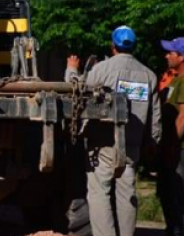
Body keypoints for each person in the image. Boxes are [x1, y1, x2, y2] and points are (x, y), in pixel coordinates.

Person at [66, 26, 160, 236]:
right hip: (131, 146)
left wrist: (72, 69)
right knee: (127, 194)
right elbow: (155, 119)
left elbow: (75, 92)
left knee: (99, 193)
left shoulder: (102, 70)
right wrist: (152, 143)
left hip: (103, 145)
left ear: (113, 46)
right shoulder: (149, 76)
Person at [157, 37, 184, 236]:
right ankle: (173, 229)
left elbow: (183, 116)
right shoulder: (179, 79)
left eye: (170, 52)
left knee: (179, 192)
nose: (166, 56)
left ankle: (182, 232)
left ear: (182, 56)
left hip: (181, 147)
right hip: (172, 145)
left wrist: (173, 146)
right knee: (167, 191)